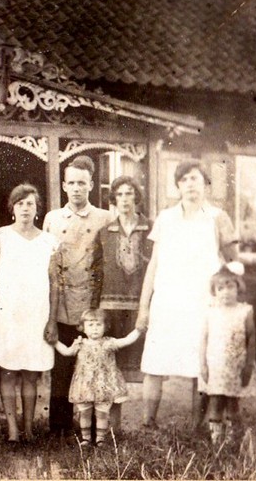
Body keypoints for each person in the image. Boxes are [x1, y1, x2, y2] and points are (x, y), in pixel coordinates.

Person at [136, 160, 239, 429]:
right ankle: (148, 423)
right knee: (155, 362)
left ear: (206, 184)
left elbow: (233, 265)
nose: (190, 184)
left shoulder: (218, 217)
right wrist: (143, 307)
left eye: (195, 179)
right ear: (178, 186)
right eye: (184, 180)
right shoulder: (166, 217)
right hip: (168, 301)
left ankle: (196, 427)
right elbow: (154, 264)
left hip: (203, 303)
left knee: (200, 365)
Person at [0, 183, 58, 442]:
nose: (25, 208)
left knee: (31, 374)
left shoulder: (49, 241)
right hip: (8, 314)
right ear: (12, 208)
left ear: (37, 210)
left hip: (37, 313)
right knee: (9, 371)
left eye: (30, 204)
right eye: (20, 203)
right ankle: (13, 430)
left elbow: (55, 283)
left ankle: (29, 428)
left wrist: (52, 320)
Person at [42, 155, 112, 435]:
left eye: (82, 183)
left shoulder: (105, 218)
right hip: (60, 301)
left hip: (91, 305)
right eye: (71, 182)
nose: (76, 188)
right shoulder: (53, 218)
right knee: (62, 367)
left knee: (93, 368)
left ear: (91, 185)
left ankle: (95, 426)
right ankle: (58, 428)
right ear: (63, 185)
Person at [90, 176, 152, 427]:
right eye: (120, 195)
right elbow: (96, 272)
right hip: (110, 308)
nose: (125, 199)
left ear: (136, 197)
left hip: (141, 306)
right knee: (111, 366)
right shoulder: (105, 233)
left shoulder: (151, 229)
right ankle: (113, 426)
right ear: (113, 199)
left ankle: (147, 422)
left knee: (145, 365)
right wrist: (94, 308)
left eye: (129, 194)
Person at [55, 308, 141, 447]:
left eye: (98, 325)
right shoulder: (80, 343)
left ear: (105, 327)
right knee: (84, 413)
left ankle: (100, 438)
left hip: (104, 384)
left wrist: (138, 330)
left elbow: (126, 341)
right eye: (90, 325)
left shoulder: (109, 342)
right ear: (82, 328)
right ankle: (86, 439)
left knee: (102, 413)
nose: (94, 329)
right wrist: (54, 341)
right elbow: (66, 352)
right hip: (85, 384)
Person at [200, 262, 256, 445]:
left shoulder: (244, 311)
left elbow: (251, 340)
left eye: (230, 287)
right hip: (216, 366)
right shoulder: (211, 312)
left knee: (233, 404)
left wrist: (248, 366)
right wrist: (202, 364)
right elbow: (203, 339)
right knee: (216, 402)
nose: (226, 292)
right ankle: (216, 442)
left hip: (236, 366)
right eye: (220, 288)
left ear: (238, 287)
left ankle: (234, 442)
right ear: (214, 291)